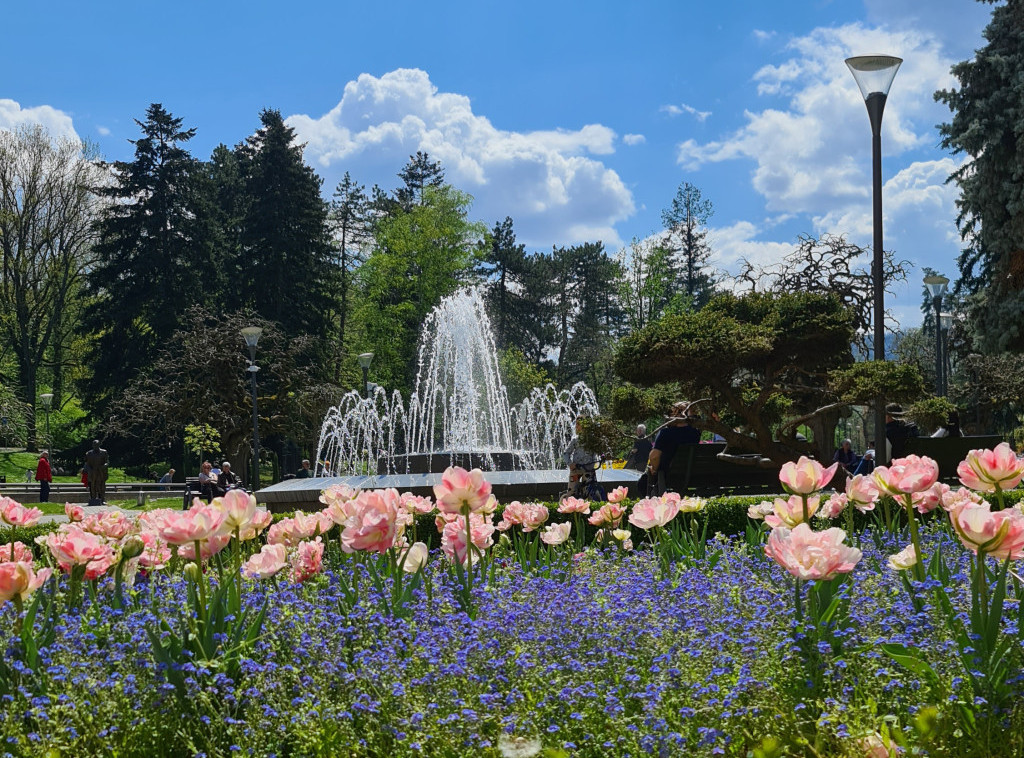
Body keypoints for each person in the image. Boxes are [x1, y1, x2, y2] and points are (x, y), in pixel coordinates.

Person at [646, 402, 701, 495]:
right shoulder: (695, 433)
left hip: (668, 476)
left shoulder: (665, 433)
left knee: (642, 482)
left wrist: (654, 469)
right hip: (690, 475)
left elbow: (654, 457)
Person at [563, 417, 604, 498]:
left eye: (578, 424)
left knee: (591, 490)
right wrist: (570, 464)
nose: (576, 426)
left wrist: (603, 456)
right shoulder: (575, 440)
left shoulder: (593, 440)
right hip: (576, 469)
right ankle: (569, 500)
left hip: (589, 469)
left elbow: (600, 450)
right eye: (576, 424)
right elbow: (566, 453)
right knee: (572, 491)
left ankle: (592, 501)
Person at [83, 440, 109, 506]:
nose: (95, 446)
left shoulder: (104, 452)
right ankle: (93, 499)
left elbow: (107, 462)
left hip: (101, 471)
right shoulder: (89, 453)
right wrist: (89, 470)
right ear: (92, 445)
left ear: (99, 445)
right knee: (92, 486)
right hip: (92, 472)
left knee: (101, 486)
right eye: (94, 445)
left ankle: (102, 499)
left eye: (97, 445)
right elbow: (87, 463)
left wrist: (104, 466)